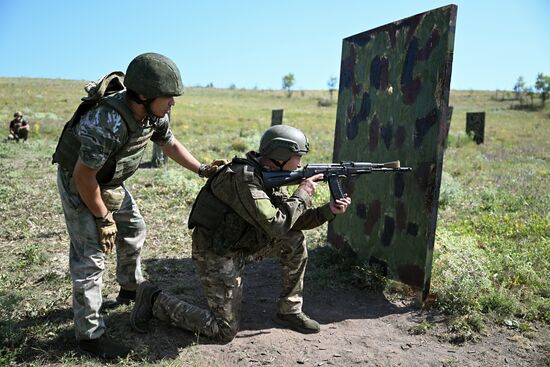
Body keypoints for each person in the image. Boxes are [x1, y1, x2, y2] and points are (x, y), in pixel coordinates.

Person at [52, 52, 220, 360]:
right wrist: (103, 218)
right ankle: (89, 335)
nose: (173, 103)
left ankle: (129, 287)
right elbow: (83, 175)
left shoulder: (154, 114)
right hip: (81, 181)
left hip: (109, 179)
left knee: (133, 228)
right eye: (168, 97)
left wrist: (201, 169)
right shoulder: (107, 121)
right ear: (143, 95)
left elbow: (169, 144)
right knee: (91, 257)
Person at [130, 125, 352, 342]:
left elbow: (290, 221)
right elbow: (276, 224)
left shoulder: (273, 174)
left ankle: (289, 310)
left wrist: (328, 211)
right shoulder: (244, 178)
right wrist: (302, 194)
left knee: (294, 239)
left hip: (243, 242)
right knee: (223, 331)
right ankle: (153, 298)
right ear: (281, 155)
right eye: (298, 156)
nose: (301, 163)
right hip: (217, 252)